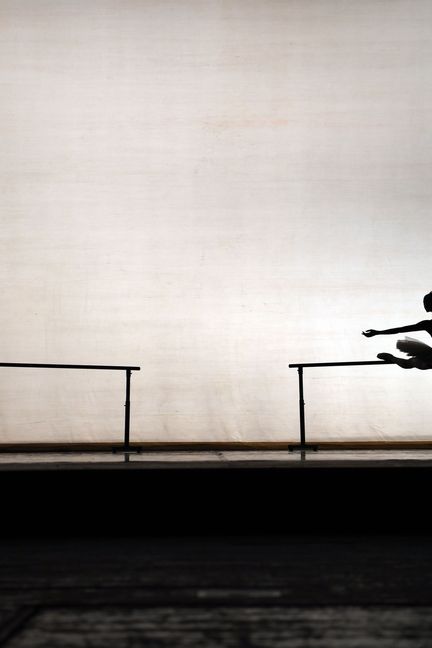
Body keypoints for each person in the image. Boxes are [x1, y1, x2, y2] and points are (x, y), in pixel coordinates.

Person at [362, 291, 432, 369]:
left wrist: (378, 332)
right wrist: (378, 332)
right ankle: (391, 358)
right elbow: (400, 330)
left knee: (410, 363)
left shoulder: (427, 324)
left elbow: (399, 330)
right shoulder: (427, 324)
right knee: (411, 363)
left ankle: (391, 358)